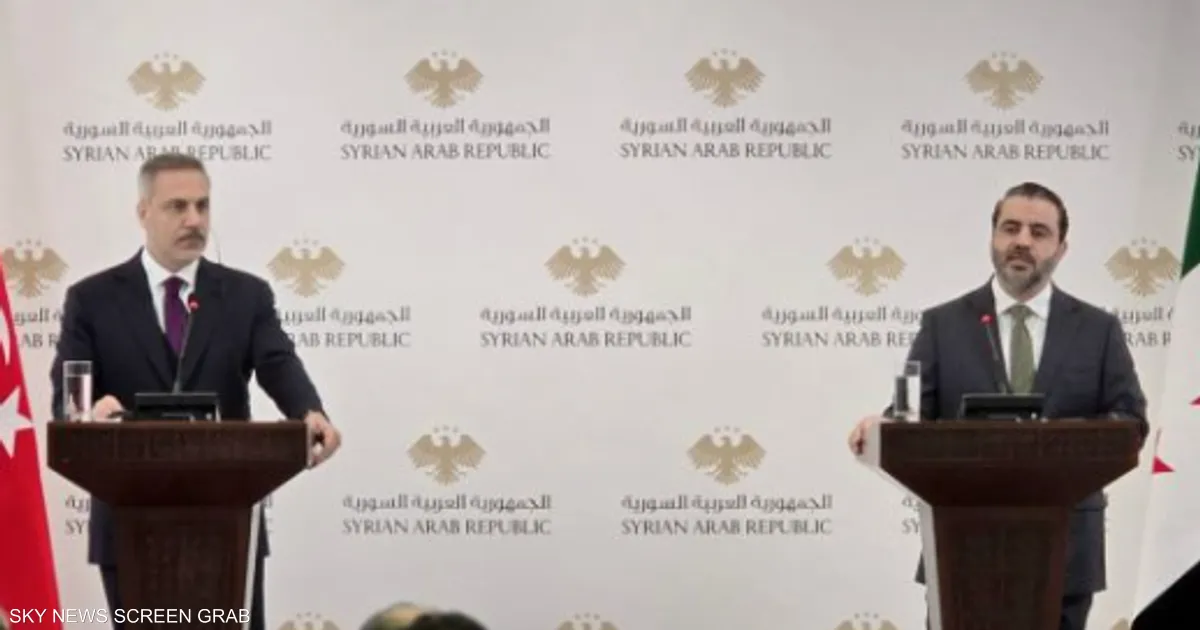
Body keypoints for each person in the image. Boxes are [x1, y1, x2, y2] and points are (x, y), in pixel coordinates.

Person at [48, 152, 343, 630]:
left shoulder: (245, 295)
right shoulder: (92, 299)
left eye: (202, 206)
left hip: (227, 526)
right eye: (177, 206)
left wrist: (310, 411)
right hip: (129, 523)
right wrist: (89, 414)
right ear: (143, 211)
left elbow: (277, 362)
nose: (194, 220)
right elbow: (67, 392)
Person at [847, 182, 1148, 630]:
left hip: (1065, 552)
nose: (1022, 240)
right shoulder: (943, 325)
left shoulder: (1098, 330)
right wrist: (885, 423)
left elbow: (1131, 422)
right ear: (993, 237)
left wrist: (1064, 442)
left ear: (1061, 249)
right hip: (962, 552)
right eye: (1010, 228)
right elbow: (912, 419)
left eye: (1038, 232)